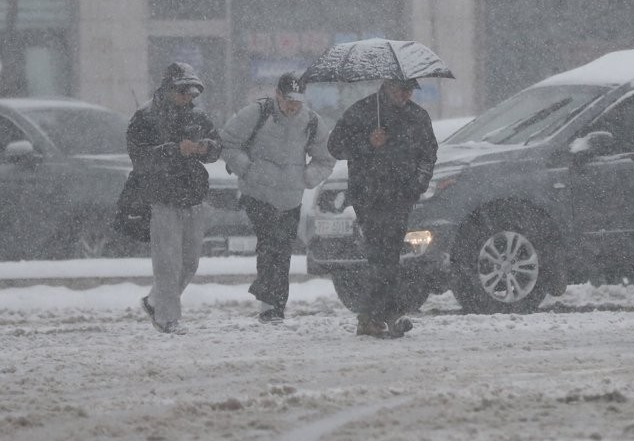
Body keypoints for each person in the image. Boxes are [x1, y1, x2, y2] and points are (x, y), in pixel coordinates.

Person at [221, 72, 335, 324]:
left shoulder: (311, 122)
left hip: (291, 196)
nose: (293, 106)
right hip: (257, 193)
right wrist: (248, 169)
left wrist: (307, 178)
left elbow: (326, 158)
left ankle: (274, 306)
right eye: (289, 100)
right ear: (278, 95)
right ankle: (269, 303)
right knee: (270, 243)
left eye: (298, 101)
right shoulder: (257, 113)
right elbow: (228, 143)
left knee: (282, 250)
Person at [328, 78, 438, 338]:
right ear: (387, 87)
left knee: (387, 256)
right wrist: (367, 143)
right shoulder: (362, 111)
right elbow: (335, 146)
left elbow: (429, 154)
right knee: (382, 255)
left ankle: (376, 316)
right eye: (401, 89)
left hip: (402, 196)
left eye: (410, 90)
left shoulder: (417, 117)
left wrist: (417, 185)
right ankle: (385, 315)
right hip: (369, 195)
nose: (405, 95)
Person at [128, 63, 222, 335]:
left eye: (192, 92)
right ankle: (167, 318)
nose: (187, 97)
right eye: (182, 91)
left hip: (192, 196)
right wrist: (174, 151)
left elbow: (216, 147)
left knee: (190, 262)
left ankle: (156, 301)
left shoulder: (199, 117)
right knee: (167, 262)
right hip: (163, 197)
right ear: (168, 88)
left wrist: (204, 148)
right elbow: (140, 158)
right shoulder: (145, 118)